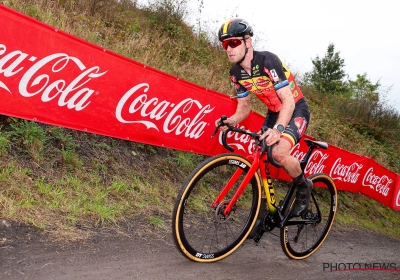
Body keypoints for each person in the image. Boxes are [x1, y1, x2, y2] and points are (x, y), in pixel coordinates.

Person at [215, 18, 312, 217]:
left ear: (248, 41)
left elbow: (289, 102)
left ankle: (304, 188)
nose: (229, 49)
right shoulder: (236, 73)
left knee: (278, 153)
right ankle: (263, 207)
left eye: (233, 42)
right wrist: (231, 121)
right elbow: (244, 107)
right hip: (273, 112)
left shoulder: (268, 61)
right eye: (225, 44)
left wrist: (278, 130)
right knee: (257, 153)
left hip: (295, 109)